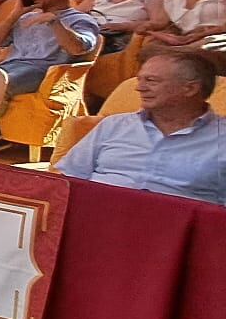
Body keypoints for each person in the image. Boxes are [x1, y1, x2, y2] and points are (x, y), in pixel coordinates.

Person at [56, 49, 226, 204]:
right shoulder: (114, 125)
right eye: (140, 80)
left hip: (177, 231)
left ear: (190, 89)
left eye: (151, 81)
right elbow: (68, 180)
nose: (140, 88)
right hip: (98, 219)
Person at [0, 0, 100, 97]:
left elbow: (78, 49)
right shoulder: (26, 17)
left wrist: (55, 22)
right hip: (9, 66)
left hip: (42, 71)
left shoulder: (80, 19)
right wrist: (14, 15)